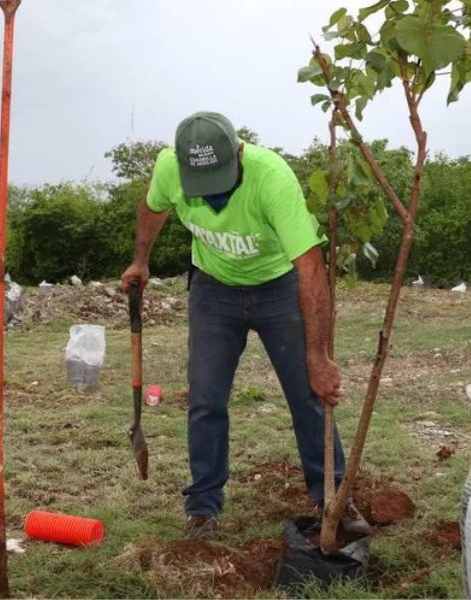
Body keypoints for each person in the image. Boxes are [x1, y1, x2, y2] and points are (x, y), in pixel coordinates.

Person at [121, 111, 371, 540]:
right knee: (205, 399)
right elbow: (152, 207)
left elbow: (310, 267)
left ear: (238, 153)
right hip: (213, 290)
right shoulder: (168, 169)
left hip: (279, 287)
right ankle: (202, 506)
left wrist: (318, 356)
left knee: (308, 394)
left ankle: (333, 497)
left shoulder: (271, 178)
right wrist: (141, 259)